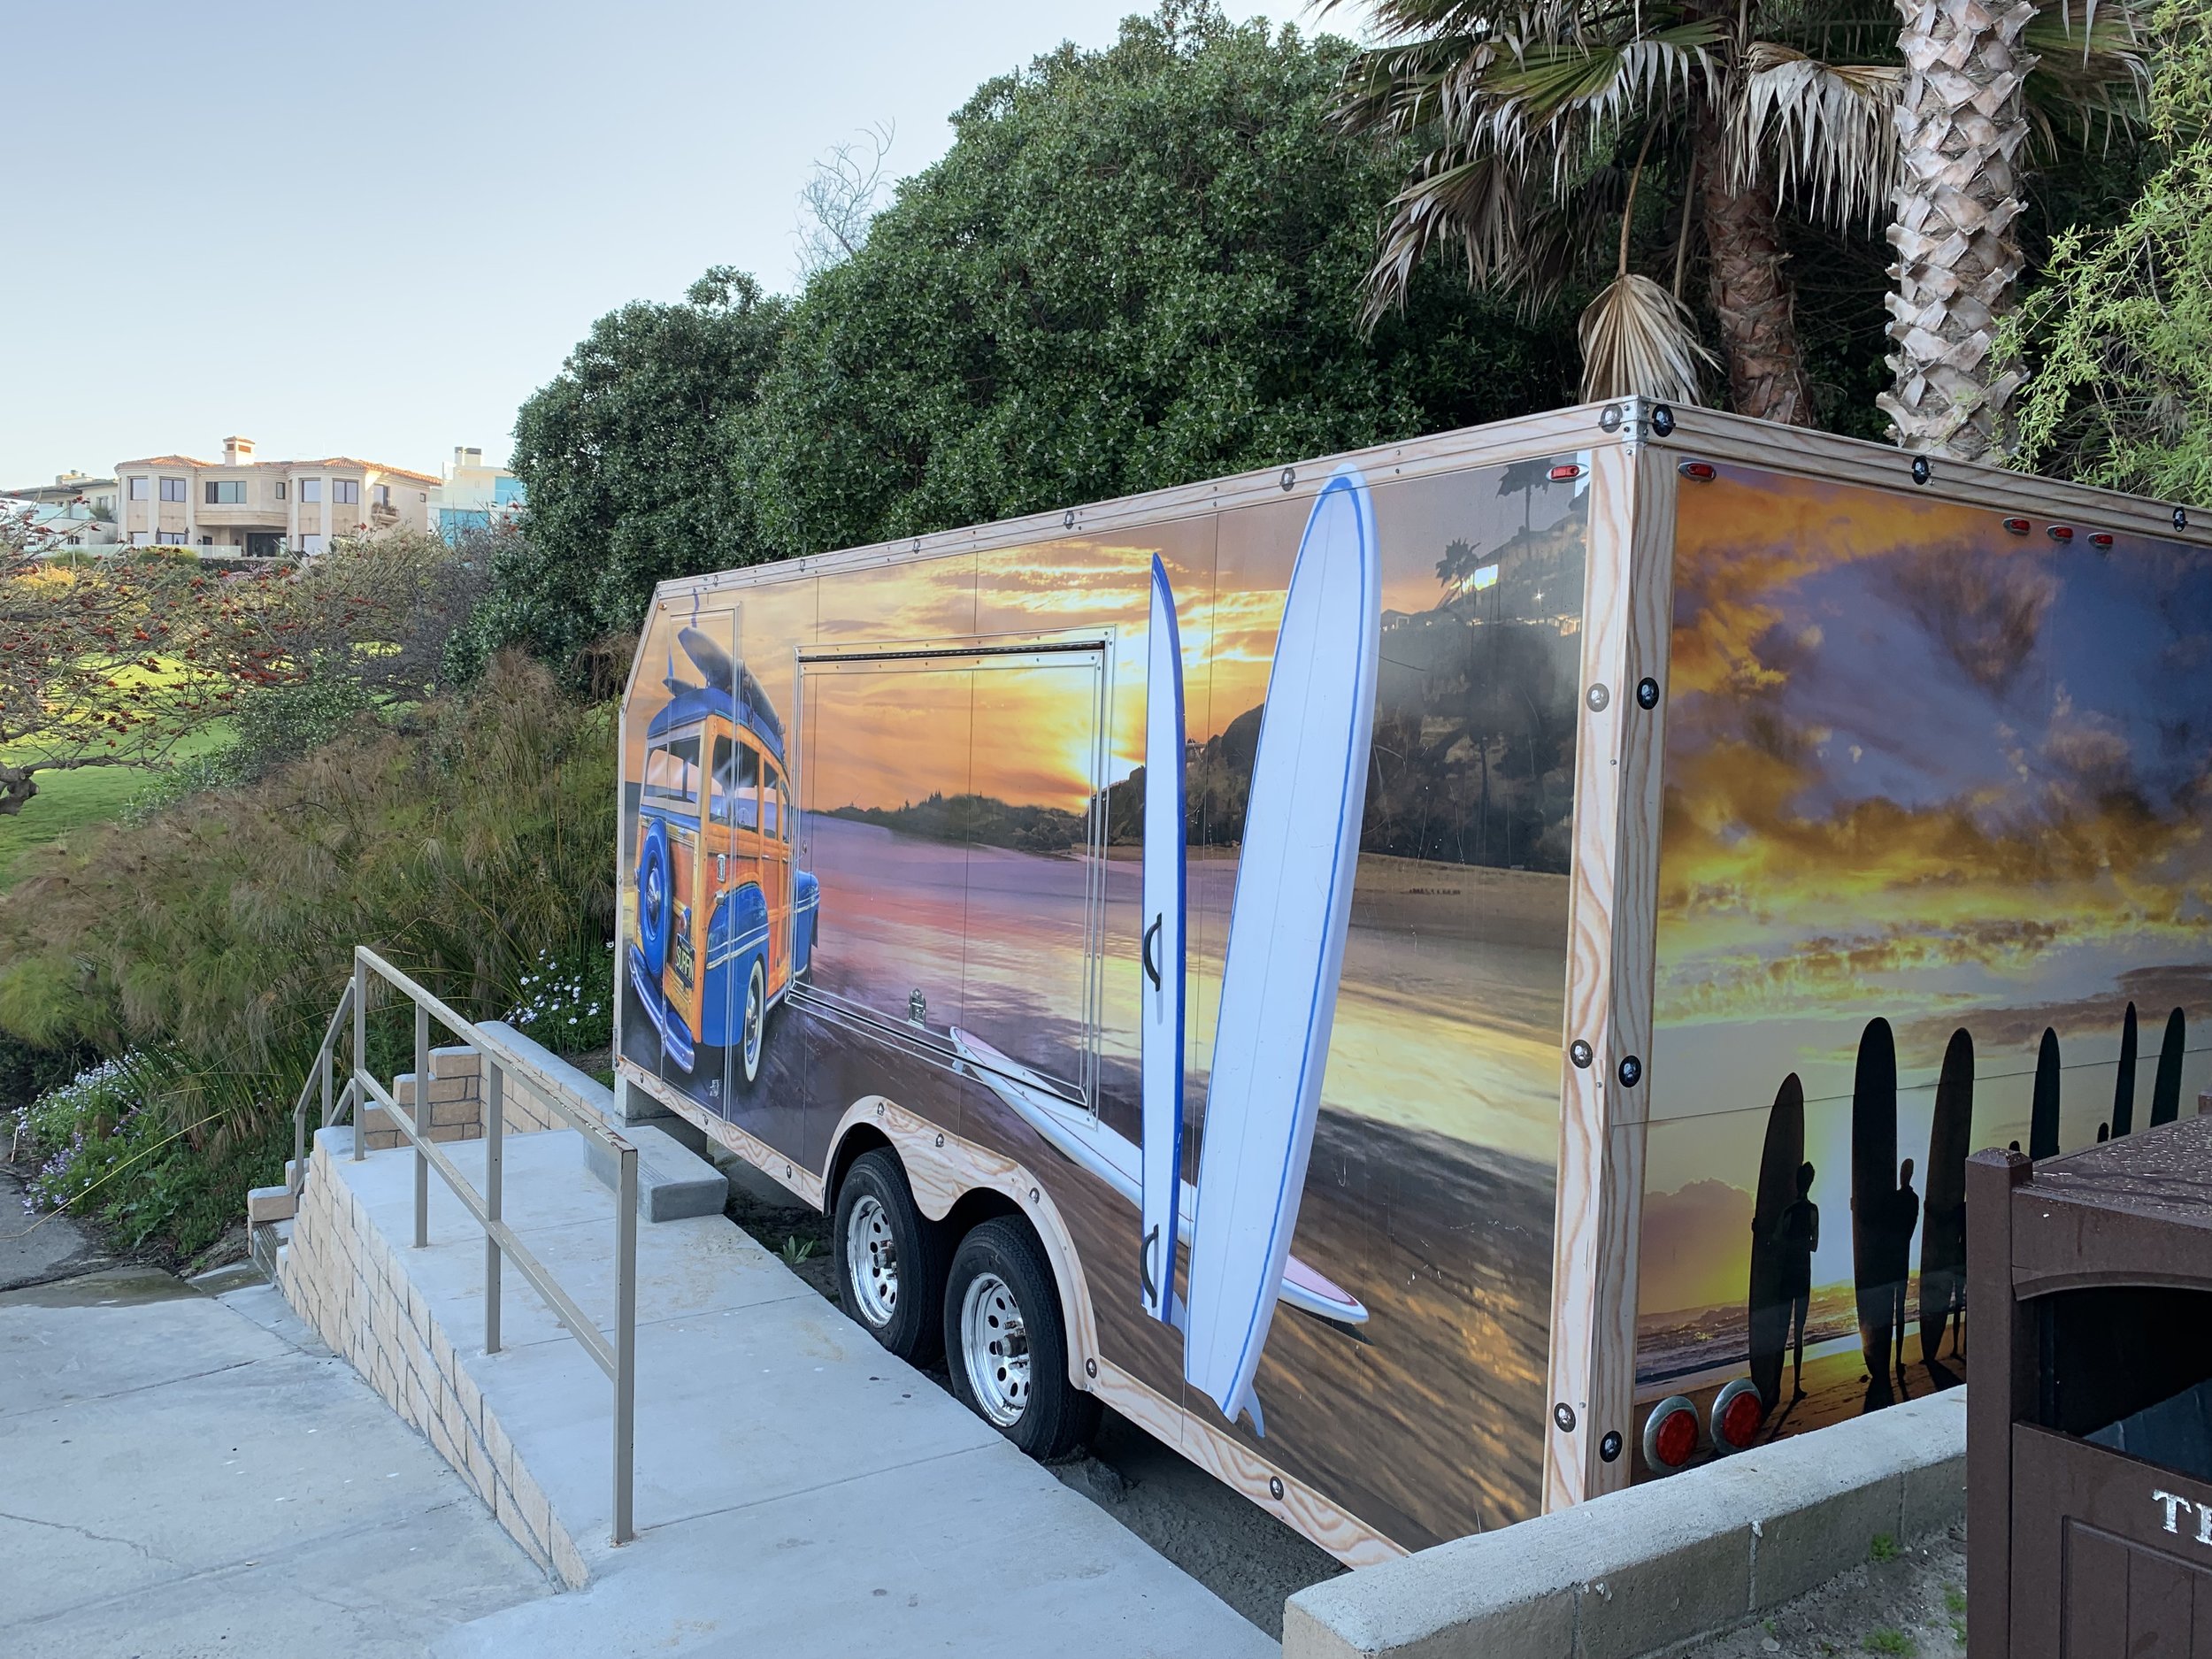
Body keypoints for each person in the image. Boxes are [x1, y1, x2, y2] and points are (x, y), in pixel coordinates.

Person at [1778, 1161, 1819, 1402]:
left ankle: (1779, 1386)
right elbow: (1814, 1245)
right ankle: (1795, 1387)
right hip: (1803, 1273)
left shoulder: (1787, 1212)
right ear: (1810, 1183)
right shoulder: (1813, 1210)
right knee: (1798, 1332)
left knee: (1783, 1330)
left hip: (1787, 1273)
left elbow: (1775, 1241)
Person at [1885, 1158, 1920, 1396]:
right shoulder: (1910, 1199)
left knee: (1897, 1310)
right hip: (1900, 1255)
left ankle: (1896, 1358)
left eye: (1905, 1171)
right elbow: (1910, 1228)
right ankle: (1895, 1358)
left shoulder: (1899, 1198)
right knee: (1896, 1310)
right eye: (1902, 1170)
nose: (1903, 1174)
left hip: (1894, 1256)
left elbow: (1882, 1223)